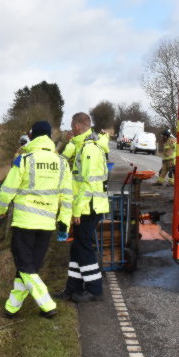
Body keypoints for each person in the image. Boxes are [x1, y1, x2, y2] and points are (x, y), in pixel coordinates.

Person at [0, 121, 73, 318]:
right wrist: (64, 223)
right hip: (46, 224)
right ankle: (12, 307)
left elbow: (7, 190)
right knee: (30, 267)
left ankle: (47, 305)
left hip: (25, 222)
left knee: (25, 265)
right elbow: (67, 197)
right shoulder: (62, 162)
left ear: (32, 136)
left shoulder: (24, 159)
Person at [57, 112, 110, 303]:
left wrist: (76, 210)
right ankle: (73, 288)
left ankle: (95, 289)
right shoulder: (84, 145)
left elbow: (88, 184)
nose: (71, 129)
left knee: (84, 247)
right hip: (87, 205)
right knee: (77, 247)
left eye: (72, 126)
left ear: (78, 126)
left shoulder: (89, 149)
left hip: (89, 207)